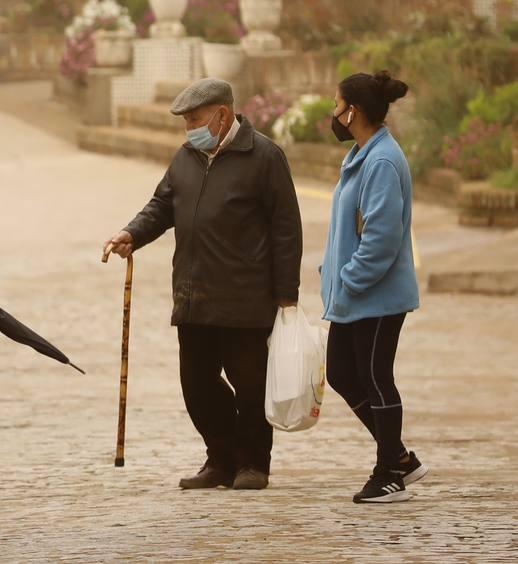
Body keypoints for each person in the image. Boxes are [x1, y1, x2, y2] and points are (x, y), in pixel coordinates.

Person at [104, 78, 302, 491]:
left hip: (245, 297)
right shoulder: (186, 156)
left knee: (250, 386)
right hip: (194, 294)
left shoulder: (264, 156)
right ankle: (220, 457)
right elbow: (162, 205)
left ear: (222, 115)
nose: (187, 128)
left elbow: (287, 230)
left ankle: (252, 463)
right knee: (196, 385)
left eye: (193, 119)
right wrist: (132, 234)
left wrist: (286, 296)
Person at [319, 71, 425, 504]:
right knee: (343, 373)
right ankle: (398, 456)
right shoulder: (365, 154)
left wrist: (348, 279)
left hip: (375, 296)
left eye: (336, 105)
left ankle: (389, 473)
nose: (333, 113)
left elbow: (381, 239)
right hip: (356, 296)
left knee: (376, 377)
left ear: (353, 112)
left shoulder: (381, 161)